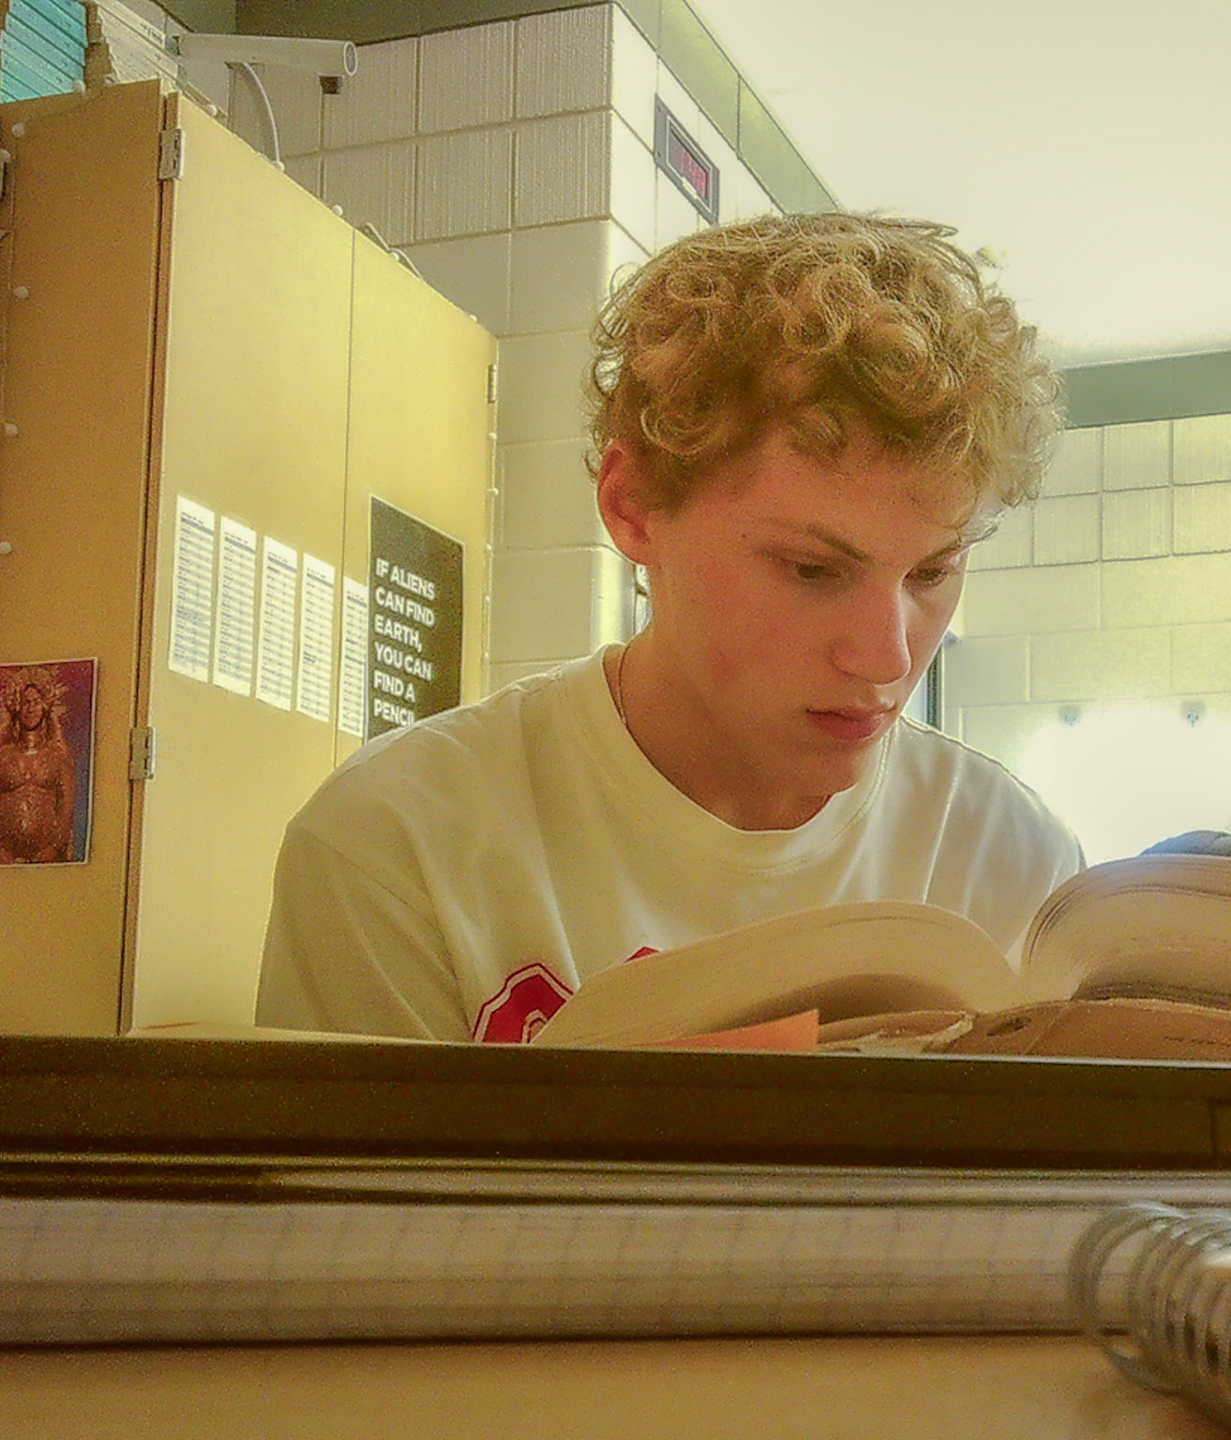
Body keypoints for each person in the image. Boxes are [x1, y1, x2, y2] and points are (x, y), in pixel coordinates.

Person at [257, 212, 1085, 1043]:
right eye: (811, 569)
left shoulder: (1011, 864)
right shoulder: (396, 847)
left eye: (932, 573)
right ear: (634, 506)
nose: (886, 656)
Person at [0, 666, 76, 865]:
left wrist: (54, 848)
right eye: (25, 702)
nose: (31, 708)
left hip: (47, 859)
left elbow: (67, 808)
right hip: (6, 860)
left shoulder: (57, 756)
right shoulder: (2, 756)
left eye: (36, 702)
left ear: (45, 705)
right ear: (16, 706)